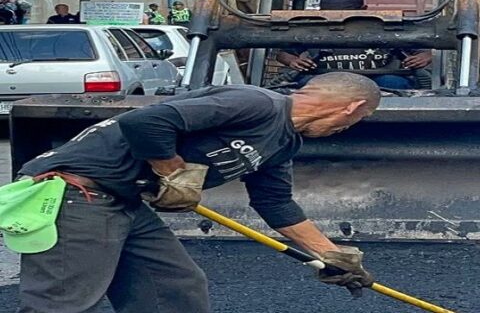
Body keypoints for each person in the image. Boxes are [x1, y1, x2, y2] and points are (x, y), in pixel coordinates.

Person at [14, 73, 380, 313]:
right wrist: (174, 173)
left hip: (123, 202)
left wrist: (332, 254)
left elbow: (276, 203)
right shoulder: (255, 102)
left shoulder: (283, 142)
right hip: (76, 190)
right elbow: (144, 121)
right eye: (358, 120)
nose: (348, 128)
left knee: (174, 289)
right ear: (353, 107)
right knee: (64, 302)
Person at [276, 0, 433, 90]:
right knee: (304, 84)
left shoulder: (384, 28)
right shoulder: (311, 30)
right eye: (332, 14)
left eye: (346, 14)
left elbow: (425, 52)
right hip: (325, 77)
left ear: (363, 10)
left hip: (377, 78)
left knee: (396, 84)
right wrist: (293, 61)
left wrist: (423, 58)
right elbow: (283, 54)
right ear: (321, 12)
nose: (339, 19)